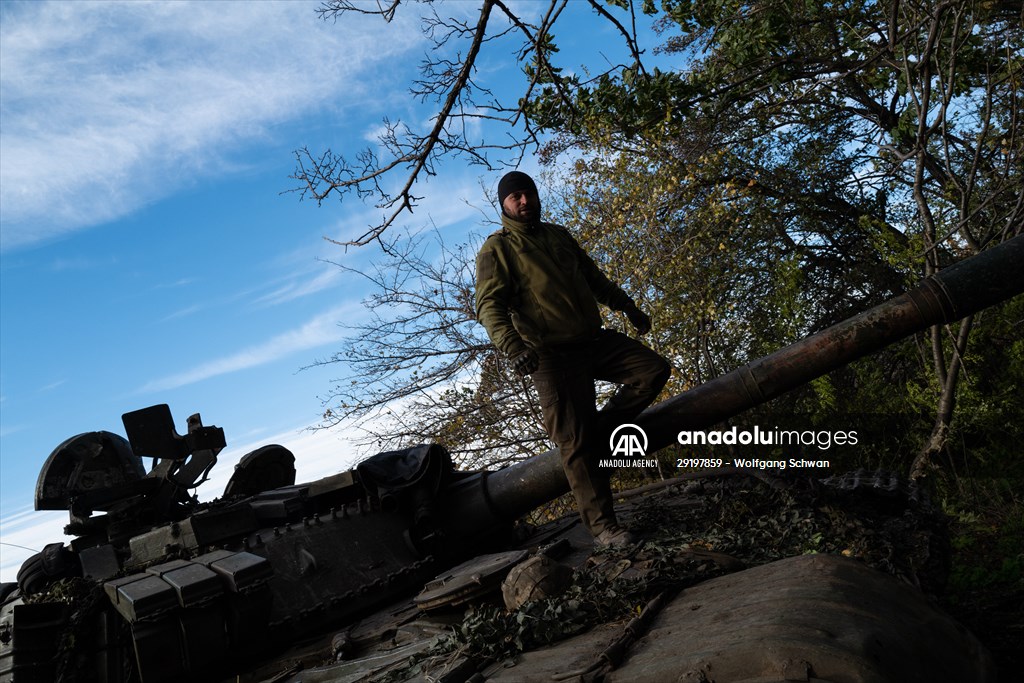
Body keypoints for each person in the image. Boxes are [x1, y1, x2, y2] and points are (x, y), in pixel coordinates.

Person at [475, 171, 671, 546]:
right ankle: (604, 528)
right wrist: (514, 347)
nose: (524, 201)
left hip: (592, 341)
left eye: (528, 193)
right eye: (515, 197)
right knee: (575, 444)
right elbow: (488, 306)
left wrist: (628, 307)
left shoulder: (558, 235)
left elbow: (594, 278)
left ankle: (601, 429)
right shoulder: (497, 249)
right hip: (549, 356)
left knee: (652, 370)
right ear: (504, 205)